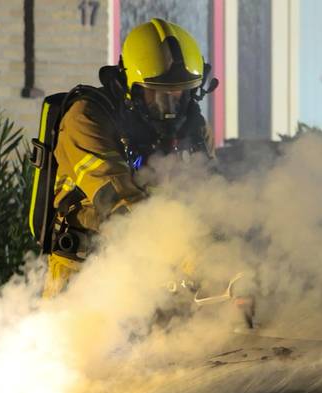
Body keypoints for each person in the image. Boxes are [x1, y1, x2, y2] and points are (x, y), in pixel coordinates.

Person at [43, 18, 215, 296]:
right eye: (158, 95)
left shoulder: (194, 129)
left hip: (160, 279)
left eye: (180, 95)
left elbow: (212, 197)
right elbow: (118, 203)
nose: (171, 108)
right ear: (130, 87)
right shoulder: (86, 119)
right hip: (85, 278)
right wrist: (187, 252)